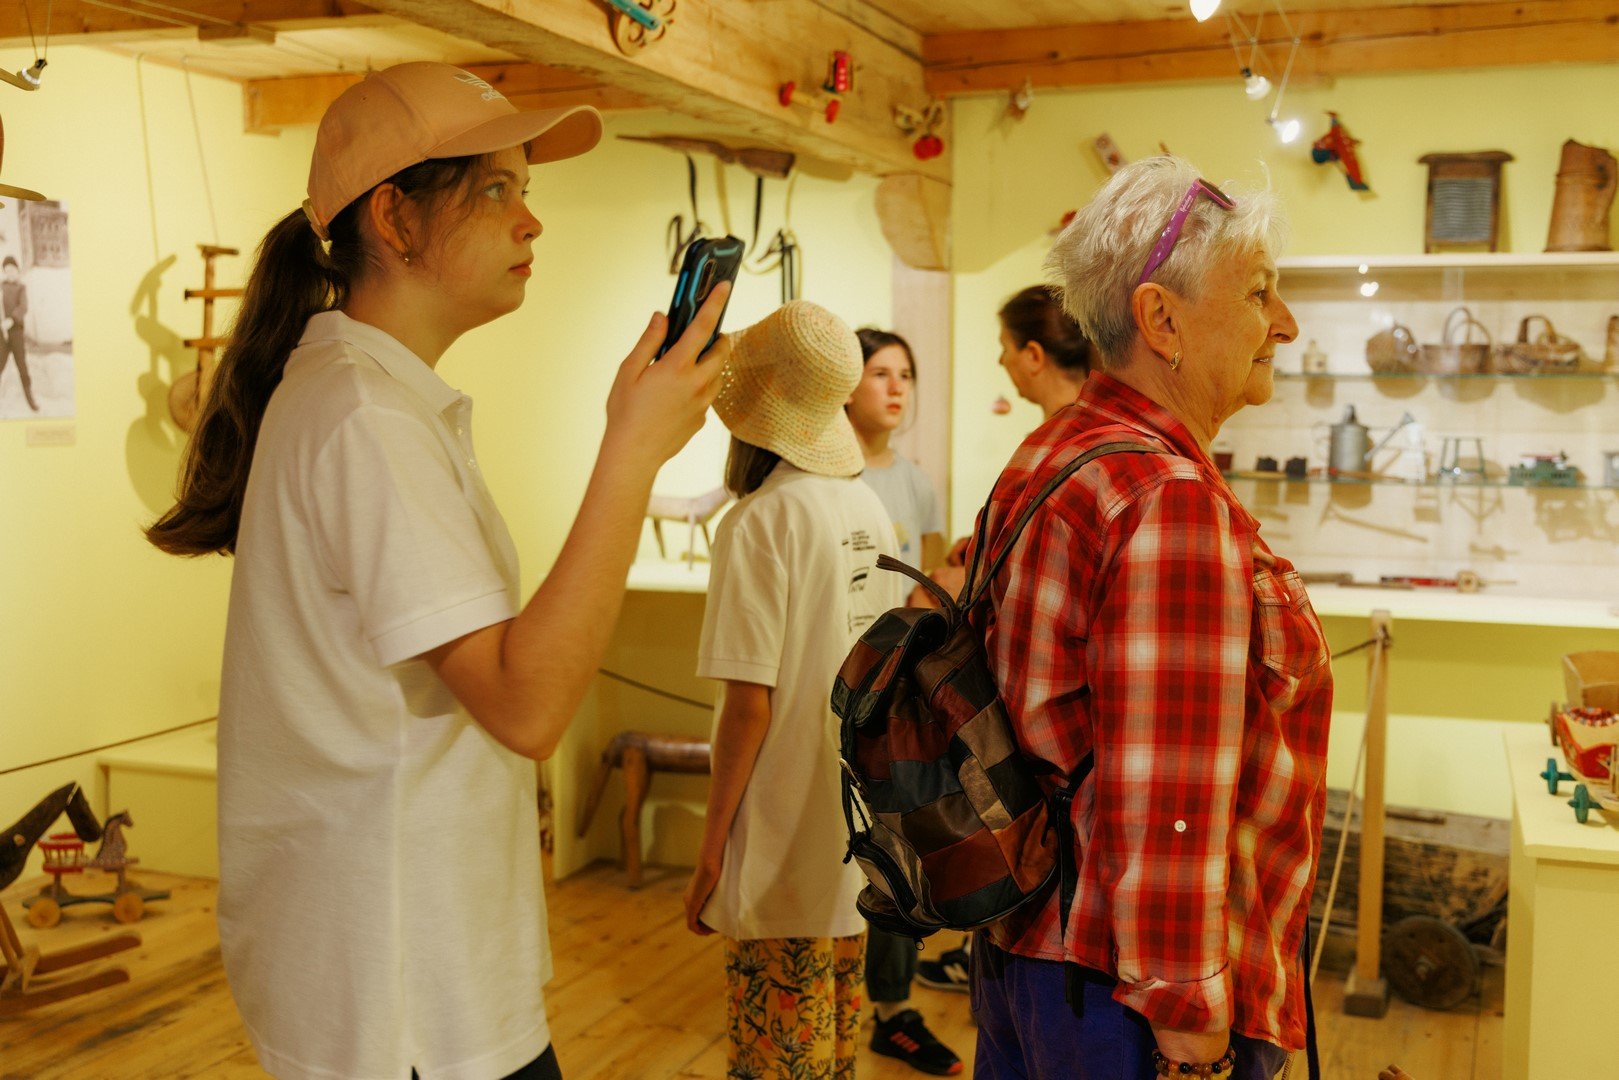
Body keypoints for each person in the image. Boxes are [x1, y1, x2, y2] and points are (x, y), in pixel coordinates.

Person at [145, 62, 728, 1080]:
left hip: (408, 965)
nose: (530, 221)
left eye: (524, 189)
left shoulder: (370, 398)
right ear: (395, 218)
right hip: (400, 992)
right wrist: (631, 453)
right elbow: (525, 704)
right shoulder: (364, 415)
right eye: (496, 189)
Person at [965, 156, 1329, 1080]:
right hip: (1124, 998)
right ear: (1160, 319)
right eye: (1257, 292)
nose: (1283, 322)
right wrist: (1190, 1019)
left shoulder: (1055, 448)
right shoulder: (1165, 496)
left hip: (1027, 947)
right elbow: (1168, 800)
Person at [683, 301, 905, 1080]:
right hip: (852, 831)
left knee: (776, 1055)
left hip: (778, 832)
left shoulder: (757, 522)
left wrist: (710, 848)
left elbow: (749, 707)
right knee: (833, 1046)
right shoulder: (867, 508)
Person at [844, 327, 961, 1076]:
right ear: (846, 386)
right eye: (880, 373)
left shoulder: (916, 483)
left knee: (897, 845)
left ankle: (890, 1010)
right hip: (836, 680)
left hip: (897, 688)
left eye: (906, 375)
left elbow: (934, 581)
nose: (896, 388)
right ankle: (829, 994)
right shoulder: (827, 479)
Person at [995, 284, 1091, 419]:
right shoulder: (1108, 422)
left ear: (1034, 356)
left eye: (1005, 349)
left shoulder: (1060, 431)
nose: (1001, 361)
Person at [0, 255, 37, 412]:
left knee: (22, 366)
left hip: (16, 333)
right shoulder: (1, 287)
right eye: (7, 270)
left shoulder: (21, 288)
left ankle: (30, 397)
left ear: (17, 270)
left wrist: (12, 319)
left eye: (12, 270)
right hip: (2, 334)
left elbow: (23, 307)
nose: (10, 273)